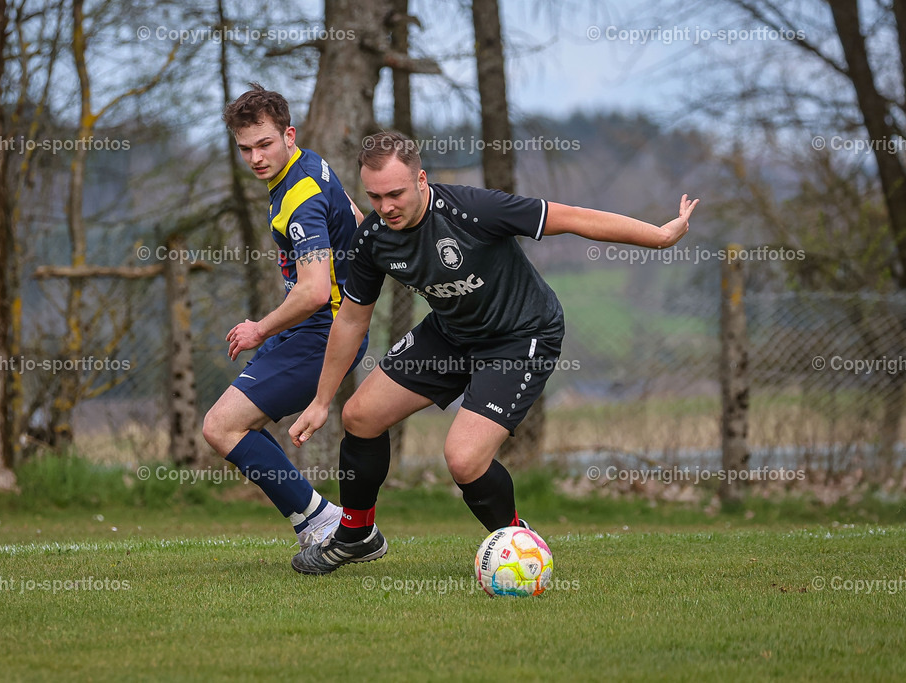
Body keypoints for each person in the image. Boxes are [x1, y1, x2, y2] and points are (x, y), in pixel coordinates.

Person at [287, 131, 698, 574]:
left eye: (395, 194)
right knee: (360, 417)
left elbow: (574, 217)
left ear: (421, 180)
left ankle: (521, 547)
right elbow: (351, 319)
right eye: (374, 196)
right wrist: (321, 401)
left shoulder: (473, 210)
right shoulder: (374, 238)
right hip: (452, 334)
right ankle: (356, 535)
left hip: (520, 337)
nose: (385, 207)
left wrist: (658, 236)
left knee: (464, 459)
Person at [202, 84, 367, 550]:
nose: (255, 157)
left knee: (220, 427)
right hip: (320, 327)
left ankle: (321, 521)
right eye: (245, 148)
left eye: (265, 144)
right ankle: (321, 520)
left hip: (323, 334)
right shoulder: (311, 164)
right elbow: (355, 219)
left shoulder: (298, 196)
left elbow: (314, 291)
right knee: (236, 425)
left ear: (288, 135)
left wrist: (259, 328)